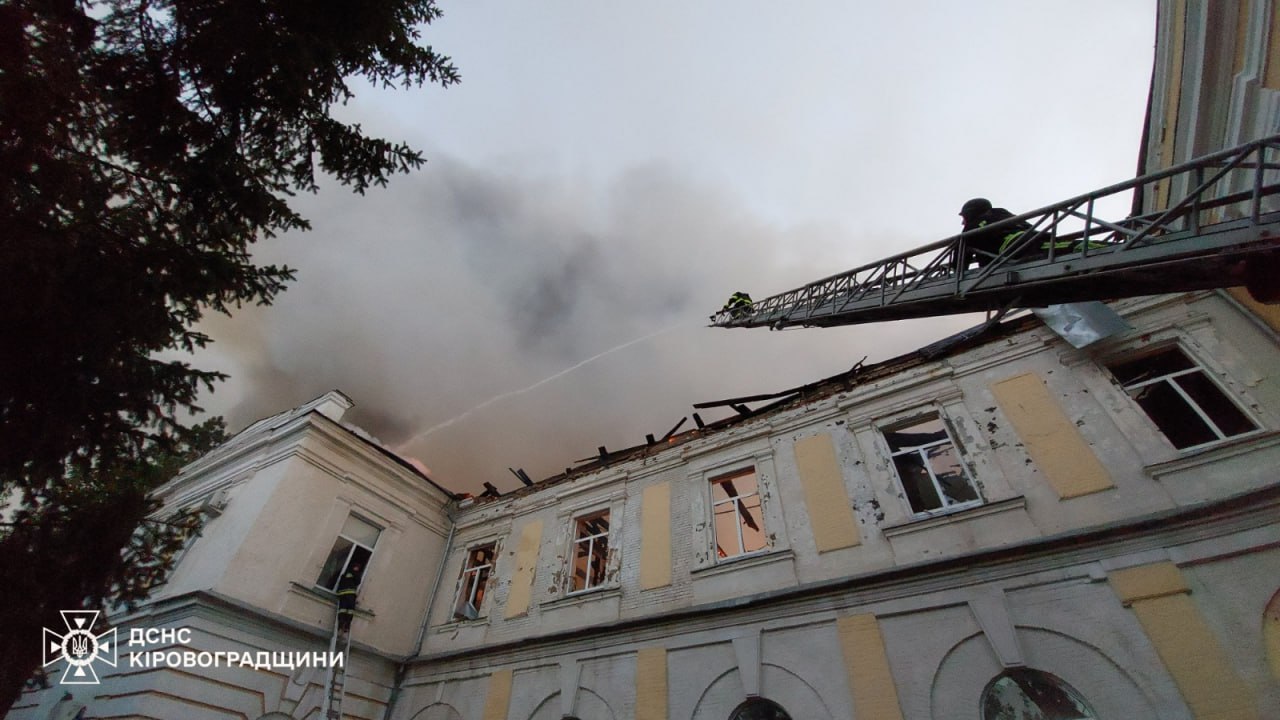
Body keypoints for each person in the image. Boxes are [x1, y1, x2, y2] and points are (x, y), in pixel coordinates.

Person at [958, 198, 1032, 269]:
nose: (962, 222)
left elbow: (959, 258)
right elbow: (1029, 227)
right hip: (1036, 239)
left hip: (1014, 250)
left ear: (970, 214)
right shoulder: (1004, 214)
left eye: (964, 218)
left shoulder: (971, 228)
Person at [336, 561, 362, 633]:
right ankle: (345, 625)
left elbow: (341, 583)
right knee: (348, 610)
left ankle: (343, 625)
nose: (356, 568)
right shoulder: (352, 574)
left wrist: (338, 592)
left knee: (345, 609)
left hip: (345, 594)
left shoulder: (346, 574)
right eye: (356, 567)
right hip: (349, 595)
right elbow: (357, 582)